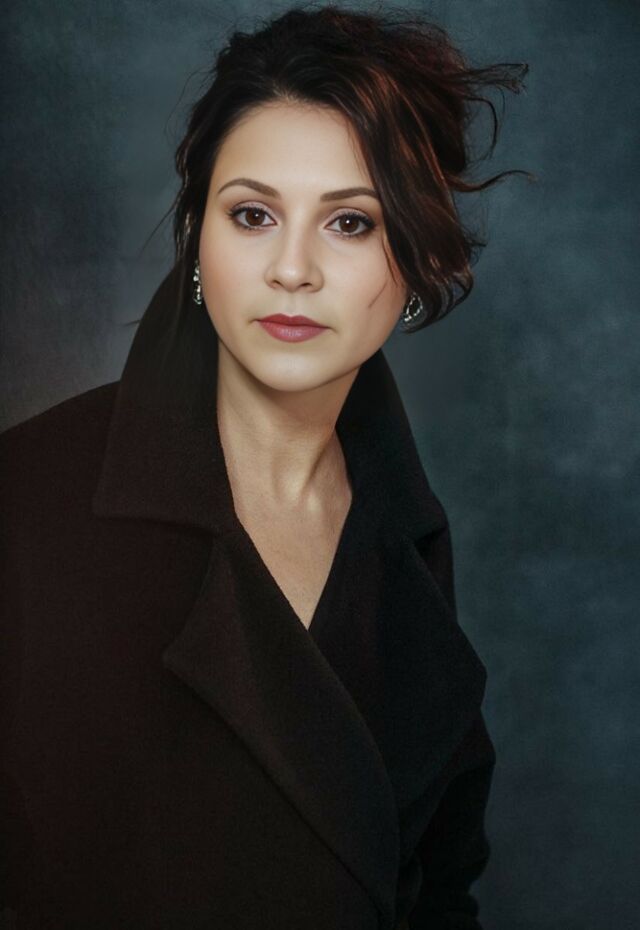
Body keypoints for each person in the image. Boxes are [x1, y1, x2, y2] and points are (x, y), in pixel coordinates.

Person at [0, 4, 530, 928]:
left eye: (350, 223)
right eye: (252, 214)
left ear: (417, 258)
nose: (292, 269)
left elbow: (438, 888)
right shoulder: (27, 498)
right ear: (196, 234)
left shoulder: (407, 546)